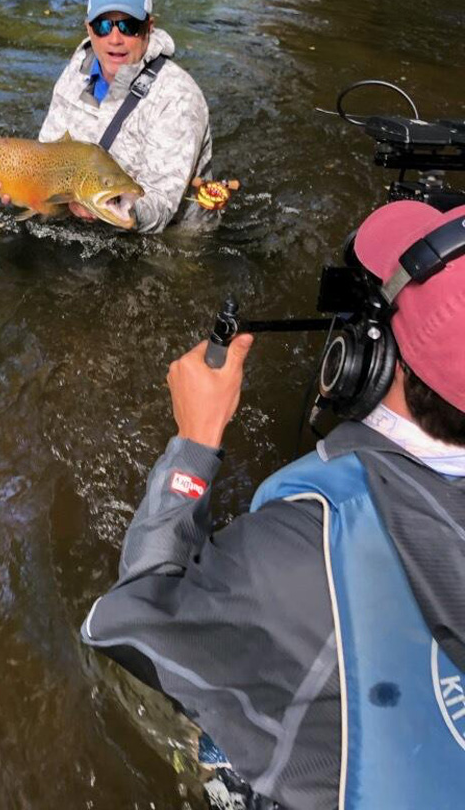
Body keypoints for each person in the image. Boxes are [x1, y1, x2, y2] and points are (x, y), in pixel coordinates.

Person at [81, 199, 465, 809]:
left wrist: (195, 443)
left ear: (370, 363)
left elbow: (131, 624)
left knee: (202, 733)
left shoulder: (301, 550)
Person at [0, 0, 214, 233]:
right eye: (103, 26)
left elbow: (161, 206)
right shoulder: (77, 71)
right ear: (89, 29)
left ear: (149, 27)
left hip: (168, 241)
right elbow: (48, 156)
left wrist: (113, 206)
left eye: (129, 26)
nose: (115, 39)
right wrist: (21, 188)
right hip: (86, 217)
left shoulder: (178, 97)